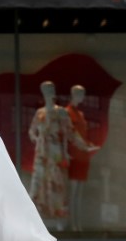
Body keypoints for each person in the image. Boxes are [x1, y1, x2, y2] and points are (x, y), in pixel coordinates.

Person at [28, 81, 94, 230]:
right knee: (38, 187)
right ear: (42, 92)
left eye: (51, 89)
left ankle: (59, 222)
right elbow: (32, 130)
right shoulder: (40, 113)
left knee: (58, 187)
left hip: (56, 155)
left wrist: (84, 145)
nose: (49, 92)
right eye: (46, 90)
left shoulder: (61, 112)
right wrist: (35, 137)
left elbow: (71, 133)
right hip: (42, 154)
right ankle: (36, 223)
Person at [65, 84, 99, 232]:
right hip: (74, 154)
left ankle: (77, 224)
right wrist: (83, 145)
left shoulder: (81, 114)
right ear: (73, 94)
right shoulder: (67, 112)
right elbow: (71, 133)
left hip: (83, 155)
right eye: (80, 93)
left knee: (79, 192)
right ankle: (72, 223)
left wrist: (87, 145)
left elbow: (82, 135)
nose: (82, 97)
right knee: (73, 192)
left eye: (83, 93)